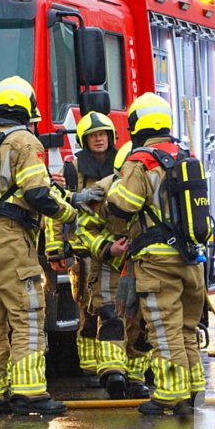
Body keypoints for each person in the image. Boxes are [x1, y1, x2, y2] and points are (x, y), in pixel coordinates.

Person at [0, 76, 83, 415]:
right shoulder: (24, 141)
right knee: (27, 315)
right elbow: (37, 194)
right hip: (9, 242)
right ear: (28, 108)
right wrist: (69, 212)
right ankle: (30, 393)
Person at [105, 93, 207, 416]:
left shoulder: (141, 161)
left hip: (158, 261)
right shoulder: (185, 157)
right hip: (191, 259)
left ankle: (170, 395)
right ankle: (194, 389)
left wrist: (111, 186)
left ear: (136, 125)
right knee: (187, 329)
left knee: (164, 330)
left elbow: (123, 205)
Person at [74, 141, 151, 400]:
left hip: (147, 264)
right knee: (111, 317)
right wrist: (108, 248)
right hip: (110, 265)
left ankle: (136, 378)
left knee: (142, 323)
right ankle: (113, 372)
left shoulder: (155, 185)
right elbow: (83, 226)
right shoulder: (103, 189)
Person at [46, 112, 118, 387]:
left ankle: (115, 362)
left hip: (117, 248)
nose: (99, 139)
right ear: (84, 140)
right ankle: (90, 367)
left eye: (103, 135)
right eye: (92, 136)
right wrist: (55, 250)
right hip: (83, 250)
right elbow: (56, 211)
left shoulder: (124, 164)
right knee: (88, 309)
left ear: (111, 137)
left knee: (117, 308)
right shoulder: (72, 169)